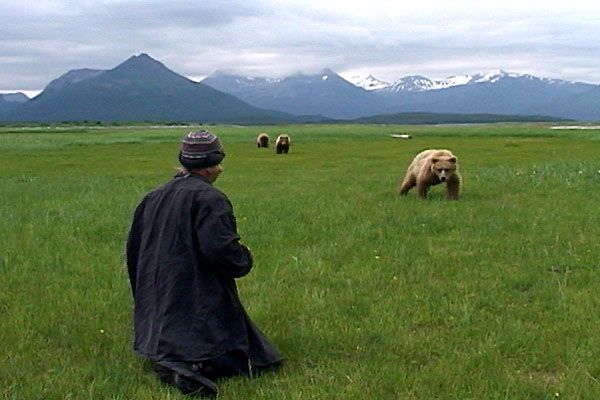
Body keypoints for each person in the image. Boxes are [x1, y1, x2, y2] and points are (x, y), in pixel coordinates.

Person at [126, 130, 283, 398]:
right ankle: (186, 367)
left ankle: (168, 358)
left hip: (157, 309)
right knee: (259, 361)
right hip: (192, 295)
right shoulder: (210, 199)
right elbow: (221, 251)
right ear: (213, 164)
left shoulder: (154, 196)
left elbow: (134, 249)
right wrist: (244, 258)